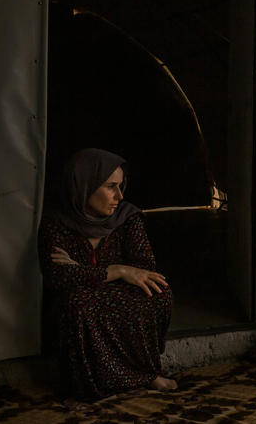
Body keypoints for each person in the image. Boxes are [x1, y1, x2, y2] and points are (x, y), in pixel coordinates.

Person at [38, 148, 176, 399]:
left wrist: (82, 271)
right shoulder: (55, 222)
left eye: (121, 186)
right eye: (111, 187)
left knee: (159, 293)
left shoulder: (127, 217)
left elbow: (145, 267)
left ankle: (146, 372)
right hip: (77, 301)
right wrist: (118, 270)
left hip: (108, 294)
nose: (119, 196)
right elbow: (58, 277)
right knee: (78, 304)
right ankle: (113, 381)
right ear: (85, 185)